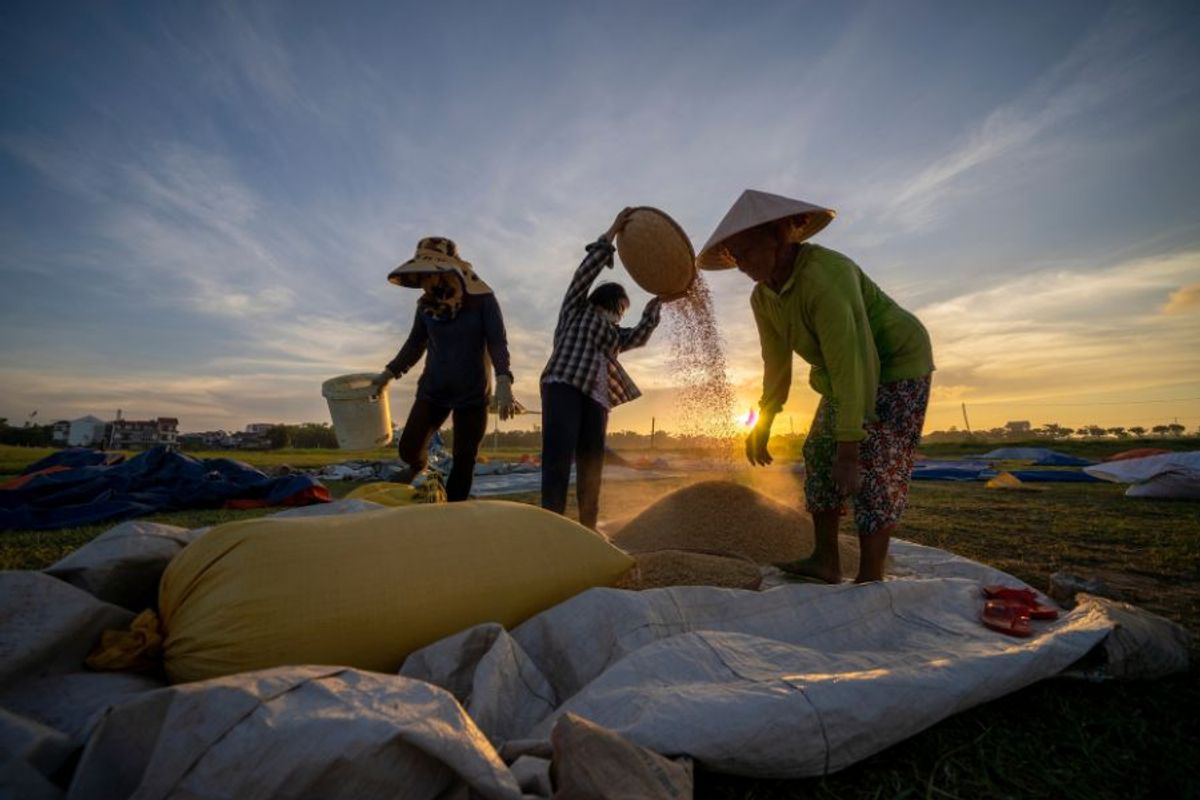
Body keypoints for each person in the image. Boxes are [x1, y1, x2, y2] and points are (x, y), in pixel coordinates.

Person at [697, 190, 934, 583]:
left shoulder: (826, 276)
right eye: (734, 257)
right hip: (843, 372)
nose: (741, 265)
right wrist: (763, 422)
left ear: (779, 236)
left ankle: (870, 575)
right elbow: (776, 364)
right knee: (819, 450)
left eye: (747, 252)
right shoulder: (763, 297)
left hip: (897, 363)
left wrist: (849, 450)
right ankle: (826, 560)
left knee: (875, 462)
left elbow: (853, 360)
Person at [540, 208, 671, 529]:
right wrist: (611, 232)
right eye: (622, 308)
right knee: (558, 455)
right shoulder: (577, 309)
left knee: (592, 462)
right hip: (564, 384)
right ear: (609, 302)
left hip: (597, 397)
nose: (622, 315)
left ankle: (588, 526)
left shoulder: (615, 335)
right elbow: (584, 273)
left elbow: (638, 336)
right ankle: (550, 525)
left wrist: (657, 304)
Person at [370, 236, 516, 501]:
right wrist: (388, 374)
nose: (424, 282)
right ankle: (419, 466)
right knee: (408, 448)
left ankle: (453, 509)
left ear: (447, 270)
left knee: (464, 458)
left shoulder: (482, 300)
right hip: (434, 389)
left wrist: (504, 380)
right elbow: (415, 343)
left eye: (428, 274)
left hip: (473, 392)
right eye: (421, 276)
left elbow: (497, 341)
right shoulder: (425, 306)